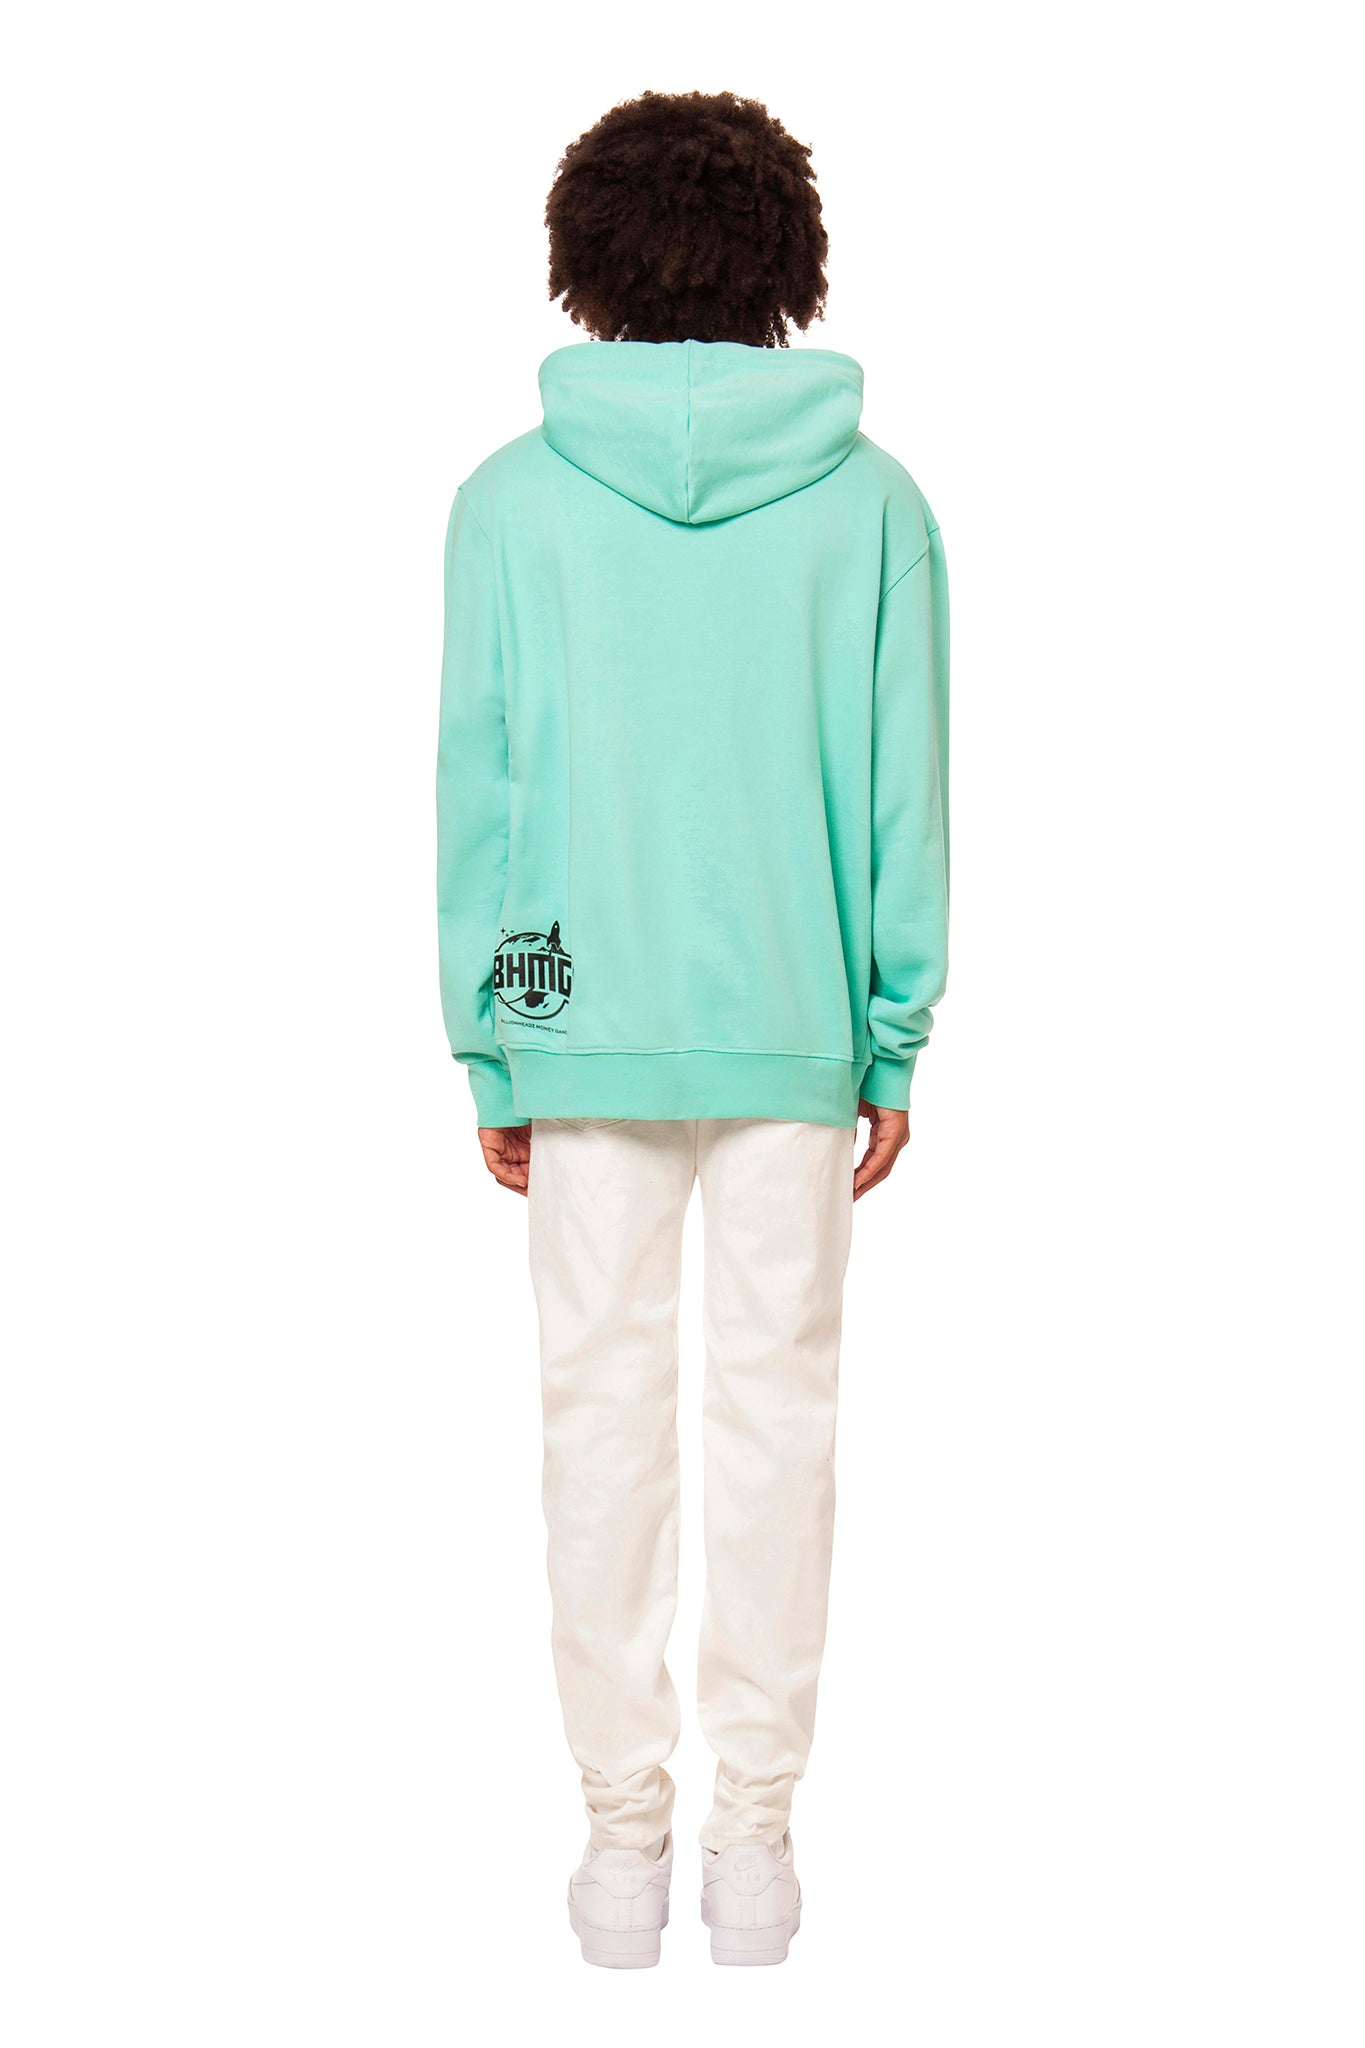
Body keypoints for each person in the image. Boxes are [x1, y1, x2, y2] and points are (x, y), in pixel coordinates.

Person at [436, 90, 949, 1968]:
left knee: (596, 1424)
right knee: (774, 1422)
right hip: (793, 1032)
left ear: (587, 254)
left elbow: (487, 791)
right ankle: (753, 1847)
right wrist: (887, 1038)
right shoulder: (874, 504)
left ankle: (616, 1846)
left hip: (582, 1023)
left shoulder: (511, 501)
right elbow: (902, 793)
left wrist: (501, 1038)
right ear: (780, 259)